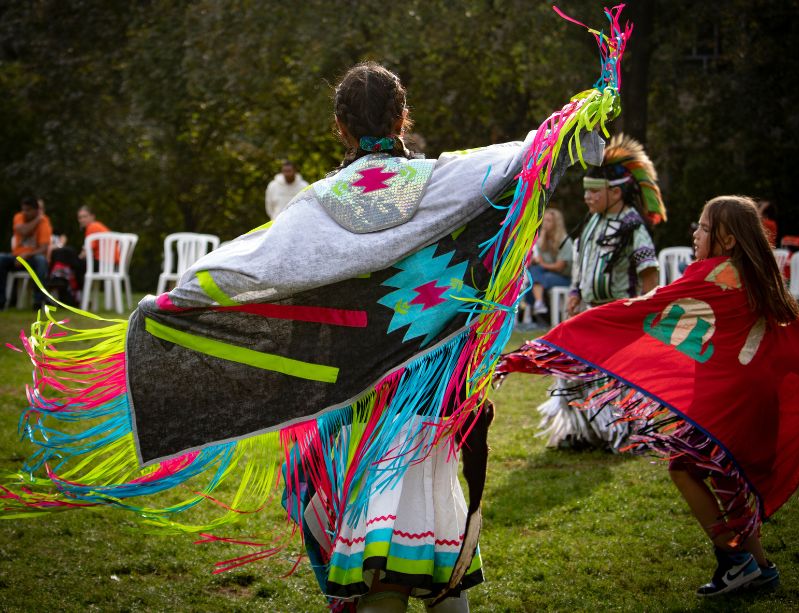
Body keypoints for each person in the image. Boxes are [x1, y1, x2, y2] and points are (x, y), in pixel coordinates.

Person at [1, 7, 631, 612]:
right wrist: (587, 107)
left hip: (356, 410)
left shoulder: (316, 206)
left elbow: (245, 264)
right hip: (434, 400)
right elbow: (530, 152)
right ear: (403, 116)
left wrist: (168, 305)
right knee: (442, 569)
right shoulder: (448, 180)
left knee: (382, 572)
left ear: (340, 128)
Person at [495, 195, 799, 597]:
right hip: (756, 407)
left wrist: (548, 347)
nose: (694, 233)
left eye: (702, 227)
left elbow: (638, 309)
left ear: (728, 239)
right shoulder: (757, 279)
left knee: (684, 469)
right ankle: (757, 567)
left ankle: (734, 559)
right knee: (730, 480)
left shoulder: (711, 276)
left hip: (727, 406)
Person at [536, 134, 665, 450]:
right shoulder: (593, 222)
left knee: (616, 377)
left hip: (618, 313)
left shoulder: (631, 225)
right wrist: (575, 291)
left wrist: (644, 310)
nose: (588, 198)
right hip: (589, 310)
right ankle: (580, 431)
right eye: (586, 192)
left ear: (616, 192)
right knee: (573, 368)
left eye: (594, 192)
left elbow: (649, 271)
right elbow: (582, 261)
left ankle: (623, 435)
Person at [0, 196, 51, 309]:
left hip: (32, 259)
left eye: (28, 210)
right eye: (23, 209)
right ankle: (1, 301)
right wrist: (37, 219)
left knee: (41, 260)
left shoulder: (45, 222)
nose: (25, 212)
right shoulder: (19, 217)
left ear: (36, 210)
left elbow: (44, 248)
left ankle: (38, 301)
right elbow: (23, 231)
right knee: (1, 258)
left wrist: (26, 255)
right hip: (16, 257)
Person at [526, 207, 573, 318]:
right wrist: (533, 260)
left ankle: (538, 308)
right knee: (533, 272)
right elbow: (534, 259)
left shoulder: (565, 241)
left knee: (536, 280)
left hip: (564, 278)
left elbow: (560, 267)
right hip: (545, 275)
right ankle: (539, 305)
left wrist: (541, 263)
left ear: (556, 223)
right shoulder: (543, 240)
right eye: (544, 220)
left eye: (549, 221)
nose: (545, 223)